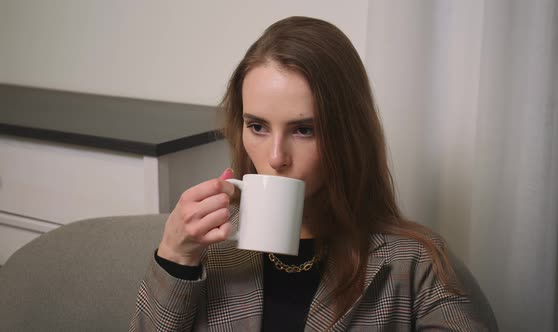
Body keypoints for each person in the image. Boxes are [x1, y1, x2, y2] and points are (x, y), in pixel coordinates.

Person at [130, 16, 498, 331]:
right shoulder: (207, 251)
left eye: (303, 129)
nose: (275, 157)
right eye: (257, 126)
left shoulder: (417, 266)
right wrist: (174, 258)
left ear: (347, 136)